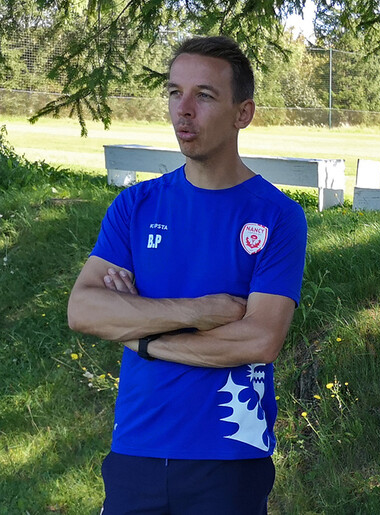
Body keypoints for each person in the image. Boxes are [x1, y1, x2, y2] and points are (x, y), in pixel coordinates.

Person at [66, 36, 307, 513]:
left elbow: (257, 340)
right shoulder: (136, 205)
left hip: (229, 454)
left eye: (205, 95)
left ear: (243, 113)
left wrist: (143, 337)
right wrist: (199, 312)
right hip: (137, 446)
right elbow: (84, 308)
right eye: (175, 93)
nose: (184, 110)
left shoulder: (277, 216)